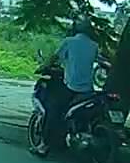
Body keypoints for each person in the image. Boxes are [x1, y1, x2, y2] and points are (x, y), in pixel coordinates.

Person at [42, 16, 100, 149]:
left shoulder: (69, 42)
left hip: (71, 87)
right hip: (88, 90)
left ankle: (44, 145)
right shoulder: (94, 45)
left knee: (53, 111)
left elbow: (54, 58)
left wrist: (44, 66)